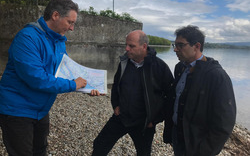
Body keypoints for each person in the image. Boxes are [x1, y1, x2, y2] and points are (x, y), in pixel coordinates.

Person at [0, 0, 99, 156]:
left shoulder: (58, 41)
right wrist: (74, 85)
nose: (72, 28)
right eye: (70, 22)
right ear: (55, 15)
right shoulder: (27, 37)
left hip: (41, 109)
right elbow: (36, 78)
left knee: (40, 151)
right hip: (17, 110)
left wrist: (91, 86)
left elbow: (68, 70)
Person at [92, 30, 174, 156]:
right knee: (99, 145)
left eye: (131, 46)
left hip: (144, 123)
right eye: (126, 45)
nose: (126, 48)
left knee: (143, 153)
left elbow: (170, 96)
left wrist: (155, 119)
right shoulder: (124, 63)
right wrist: (116, 106)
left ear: (144, 46)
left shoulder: (159, 67)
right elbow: (116, 86)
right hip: (121, 117)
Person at [163, 25, 236, 156]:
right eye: (175, 44)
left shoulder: (216, 76)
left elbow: (225, 122)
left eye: (180, 45)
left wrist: (205, 150)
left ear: (196, 46)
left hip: (198, 145)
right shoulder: (180, 68)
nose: (175, 49)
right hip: (178, 136)